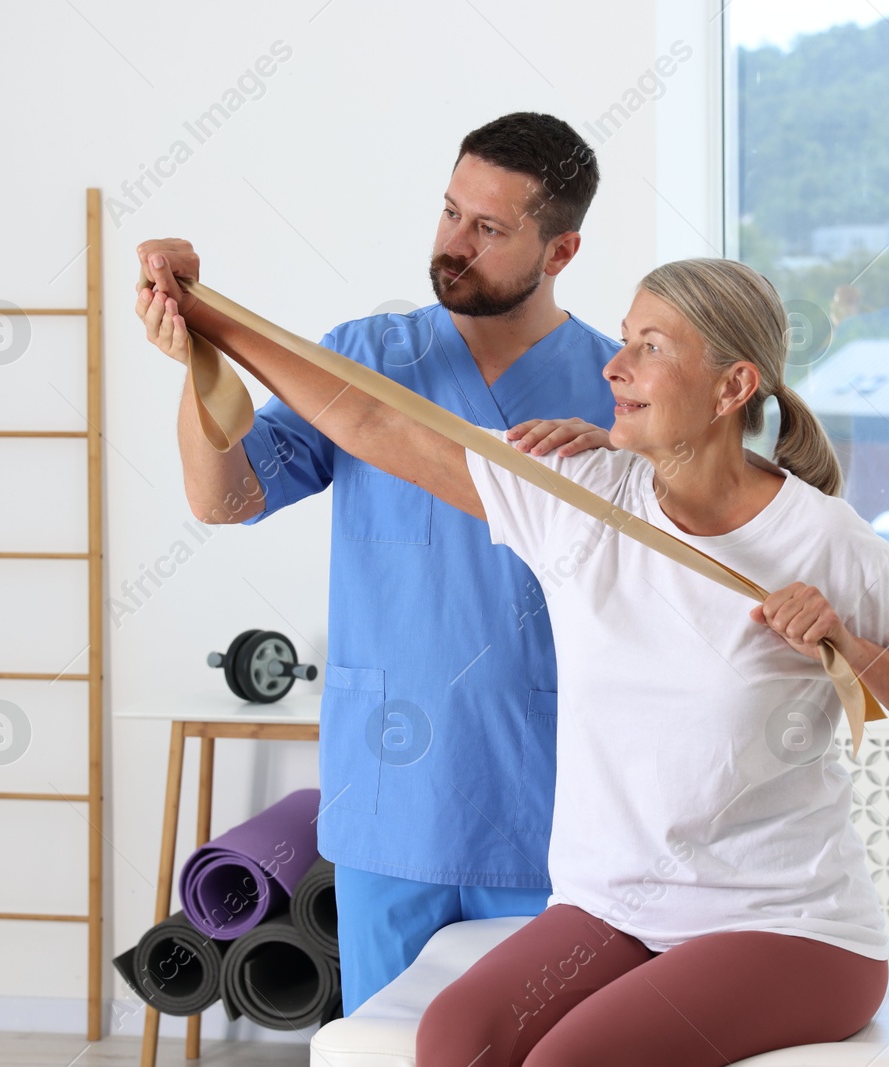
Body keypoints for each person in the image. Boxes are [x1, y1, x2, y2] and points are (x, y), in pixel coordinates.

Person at [143, 254, 889, 1065]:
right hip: (614, 907)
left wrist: (851, 644)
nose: (615, 366)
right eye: (624, 337)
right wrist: (204, 313)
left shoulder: (823, 539)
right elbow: (369, 418)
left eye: (651, 348)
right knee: (455, 1038)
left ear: (734, 385)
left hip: (787, 924)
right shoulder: (579, 497)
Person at [135, 113, 622, 1013]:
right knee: (379, 1047)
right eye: (448, 212)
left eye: (489, 229)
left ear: (561, 251)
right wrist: (197, 363)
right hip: (389, 801)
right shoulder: (365, 358)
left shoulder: (615, 387)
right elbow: (226, 498)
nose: (452, 245)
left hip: (551, 807)